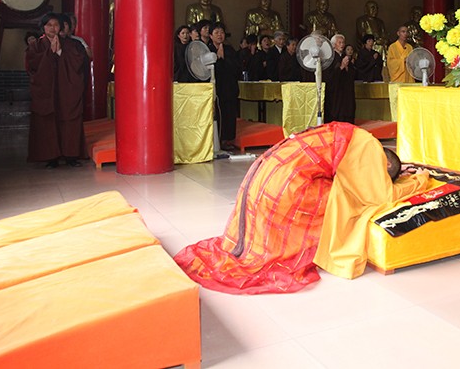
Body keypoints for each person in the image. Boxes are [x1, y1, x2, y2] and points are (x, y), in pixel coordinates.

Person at [173, 122, 430, 294]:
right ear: (386, 164)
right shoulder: (370, 148)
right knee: (346, 202)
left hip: (265, 175)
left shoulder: (351, 133)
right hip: (285, 187)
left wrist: (398, 172)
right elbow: (381, 194)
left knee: (345, 191)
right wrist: (420, 180)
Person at [25, 13, 88, 168]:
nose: (52, 28)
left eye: (56, 25)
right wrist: (48, 54)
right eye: (49, 25)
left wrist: (61, 53)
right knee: (47, 122)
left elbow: (80, 62)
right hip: (46, 91)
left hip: (67, 90)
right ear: (43, 27)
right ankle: (50, 157)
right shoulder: (36, 46)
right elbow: (32, 65)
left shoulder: (72, 45)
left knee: (69, 121)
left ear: (61, 27)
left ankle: (71, 156)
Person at [208, 22, 240, 150]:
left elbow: (236, 67)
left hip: (230, 86)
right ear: (211, 36)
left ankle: (228, 140)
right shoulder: (208, 49)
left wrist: (223, 59)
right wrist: (218, 59)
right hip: (217, 88)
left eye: (221, 32)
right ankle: (217, 140)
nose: (219, 35)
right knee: (218, 113)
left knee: (230, 114)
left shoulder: (229, 49)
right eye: (216, 33)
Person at [324, 33, 355, 123]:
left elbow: (352, 74)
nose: (342, 44)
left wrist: (347, 67)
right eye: (339, 42)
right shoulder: (329, 58)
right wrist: (341, 67)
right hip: (335, 91)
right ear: (334, 45)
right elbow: (328, 76)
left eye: (343, 42)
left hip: (345, 90)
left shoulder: (345, 57)